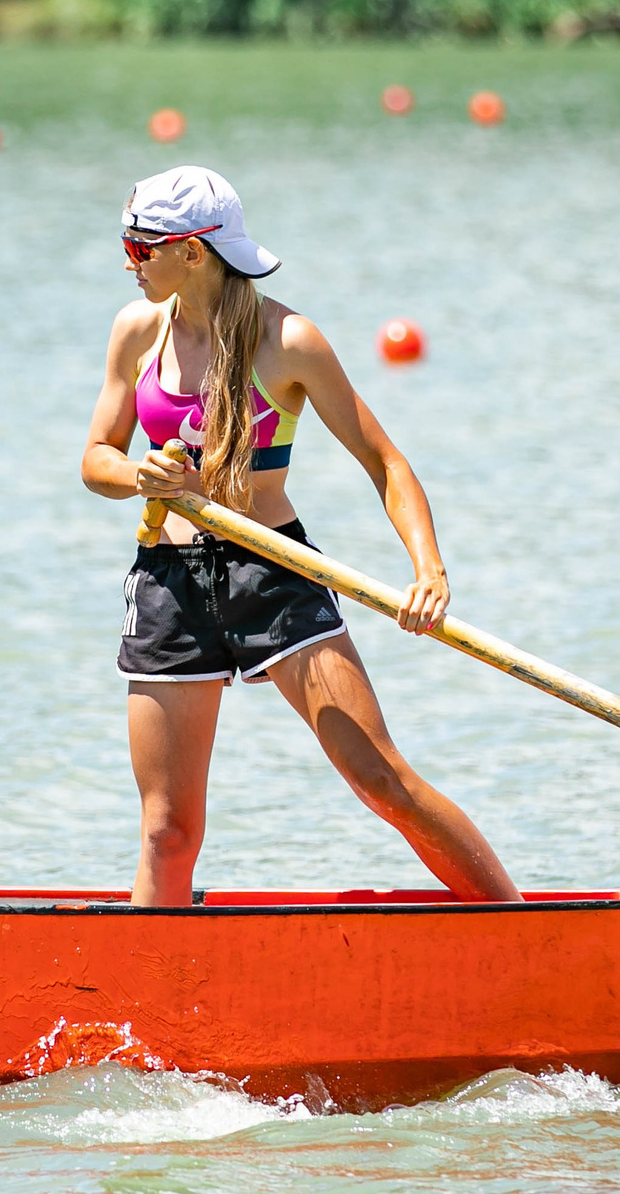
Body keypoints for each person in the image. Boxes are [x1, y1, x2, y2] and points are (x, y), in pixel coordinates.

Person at [81, 164, 521, 907]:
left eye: (141, 246)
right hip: (168, 583)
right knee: (166, 830)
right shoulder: (135, 332)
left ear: (195, 251)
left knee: (383, 781)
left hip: (272, 575)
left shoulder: (289, 341)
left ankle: (520, 927)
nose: (130, 260)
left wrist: (429, 571)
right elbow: (96, 458)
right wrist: (141, 479)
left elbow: (386, 463)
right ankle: (150, 1002)